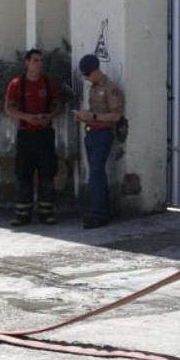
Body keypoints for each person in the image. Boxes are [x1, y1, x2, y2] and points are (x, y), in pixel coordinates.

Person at [4, 48, 63, 226]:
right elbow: (8, 108)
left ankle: (47, 212)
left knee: (47, 173)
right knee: (24, 174)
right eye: (36, 60)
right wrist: (27, 117)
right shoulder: (16, 84)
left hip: (45, 134)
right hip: (25, 135)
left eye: (41, 61)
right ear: (27, 63)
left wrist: (49, 117)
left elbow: (58, 105)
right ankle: (23, 214)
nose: (39, 64)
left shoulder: (49, 83)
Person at [74, 54, 125, 229]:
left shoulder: (110, 88)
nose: (86, 78)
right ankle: (100, 210)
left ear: (96, 70)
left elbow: (116, 115)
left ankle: (100, 213)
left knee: (96, 172)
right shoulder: (94, 87)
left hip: (103, 133)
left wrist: (93, 116)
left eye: (88, 74)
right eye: (84, 75)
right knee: (96, 174)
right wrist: (83, 117)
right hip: (91, 132)